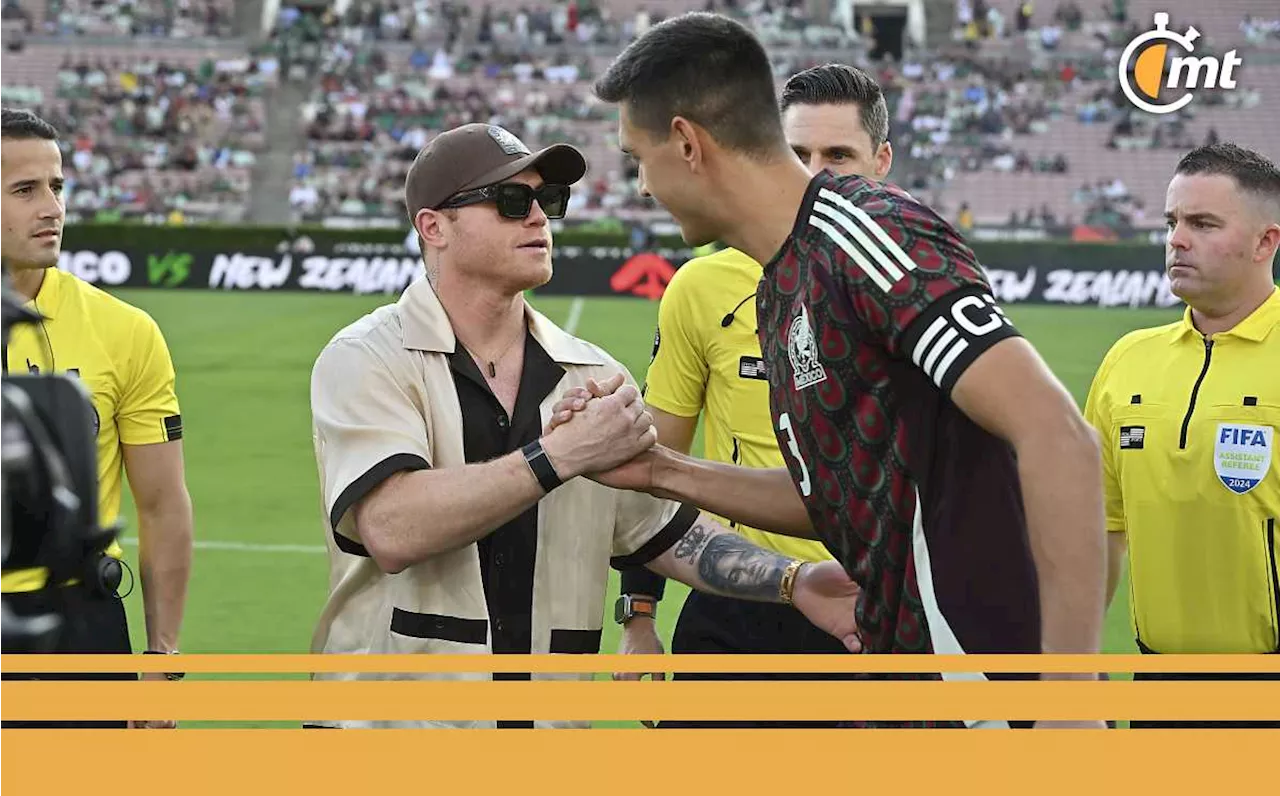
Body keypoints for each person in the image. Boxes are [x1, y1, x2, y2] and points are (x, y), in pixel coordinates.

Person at [563, 12, 1108, 729]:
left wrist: (1069, 703)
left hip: (980, 691)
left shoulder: (867, 230)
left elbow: (1058, 434)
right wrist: (658, 470)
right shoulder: (781, 282)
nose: (639, 187)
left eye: (640, 156)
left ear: (688, 144)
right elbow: (837, 495)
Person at [305, 122, 863, 730]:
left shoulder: (592, 373)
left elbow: (665, 533)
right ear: (433, 227)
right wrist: (557, 455)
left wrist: (797, 582)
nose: (538, 218)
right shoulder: (366, 357)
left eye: (548, 201)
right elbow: (392, 528)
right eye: (511, 202)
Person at [614, 64, 893, 728]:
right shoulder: (701, 287)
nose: (817, 174)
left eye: (839, 155)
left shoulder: (915, 291)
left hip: (875, 613)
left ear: (880, 161)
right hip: (738, 604)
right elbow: (658, 468)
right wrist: (639, 618)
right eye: (798, 155)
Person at [0, 108, 194, 728]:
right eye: (25, 190)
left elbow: (163, 504)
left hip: (79, 630)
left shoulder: (125, 331)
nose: (51, 207)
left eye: (56, 186)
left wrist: (162, 661)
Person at [1083, 143, 1280, 728]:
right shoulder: (1126, 361)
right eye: (1172, 222)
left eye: (1203, 224)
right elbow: (1100, 530)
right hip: (1158, 690)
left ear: (1265, 242)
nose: (1177, 239)